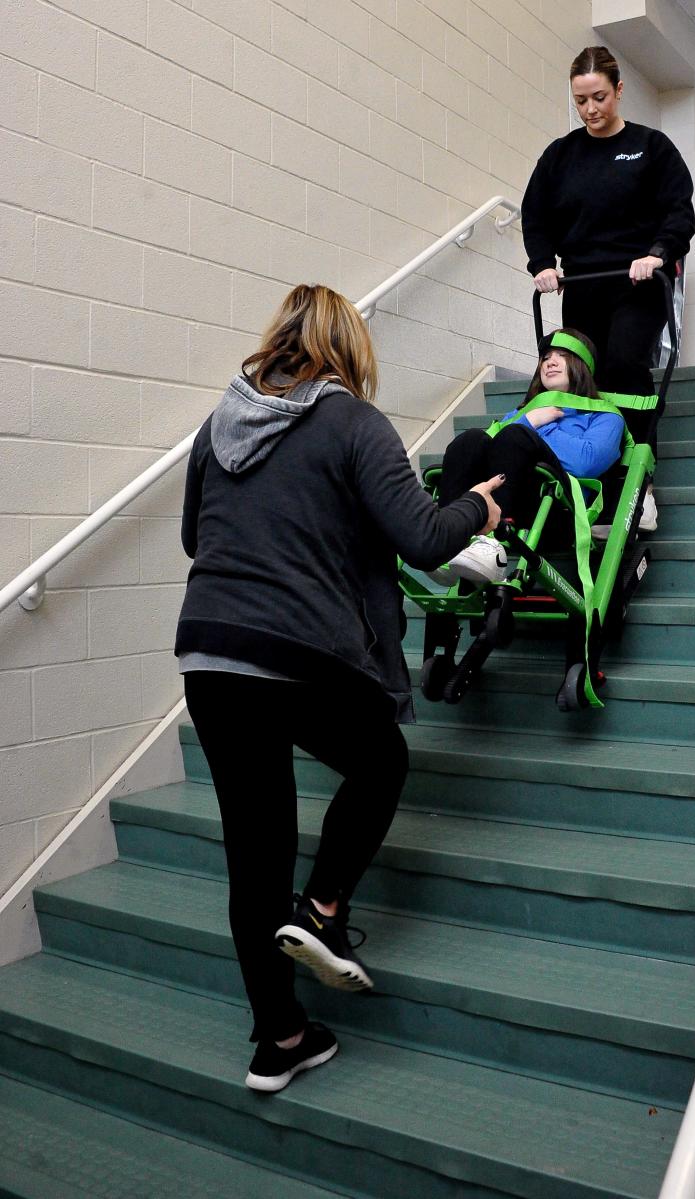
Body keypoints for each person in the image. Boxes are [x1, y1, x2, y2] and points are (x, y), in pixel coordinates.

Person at [175, 283, 502, 1093]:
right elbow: (424, 538)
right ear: (349, 351)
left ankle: (279, 1037)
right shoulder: (354, 420)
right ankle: (321, 910)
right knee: (382, 759)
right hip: (294, 649)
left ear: (278, 340)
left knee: (254, 856)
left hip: (210, 653)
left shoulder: (217, 426)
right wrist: (478, 506)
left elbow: (196, 536)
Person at [521, 44, 695, 532]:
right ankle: (587, 479)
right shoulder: (560, 156)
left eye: (599, 97)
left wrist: (657, 252)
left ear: (619, 90)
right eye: (580, 101)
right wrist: (543, 264)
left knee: (621, 362)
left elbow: (680, 211)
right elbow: (535, 215)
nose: (591, 110)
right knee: (579, 378)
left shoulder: (651, 146)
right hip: (583, 284)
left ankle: (638, 487)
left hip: (638, 281)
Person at [431, 328, 623, 585]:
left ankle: (492, 542)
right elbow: (489, 447)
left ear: (581, 365)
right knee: (470, 440)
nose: (550, 362)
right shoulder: (522, 415)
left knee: (515, 436)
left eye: (561, 355)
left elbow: (585, 462)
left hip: (557, 509)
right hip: (504, 499)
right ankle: (445, 540)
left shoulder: (606, 416)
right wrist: (529, 418)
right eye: (545, 358)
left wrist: (540, 424)